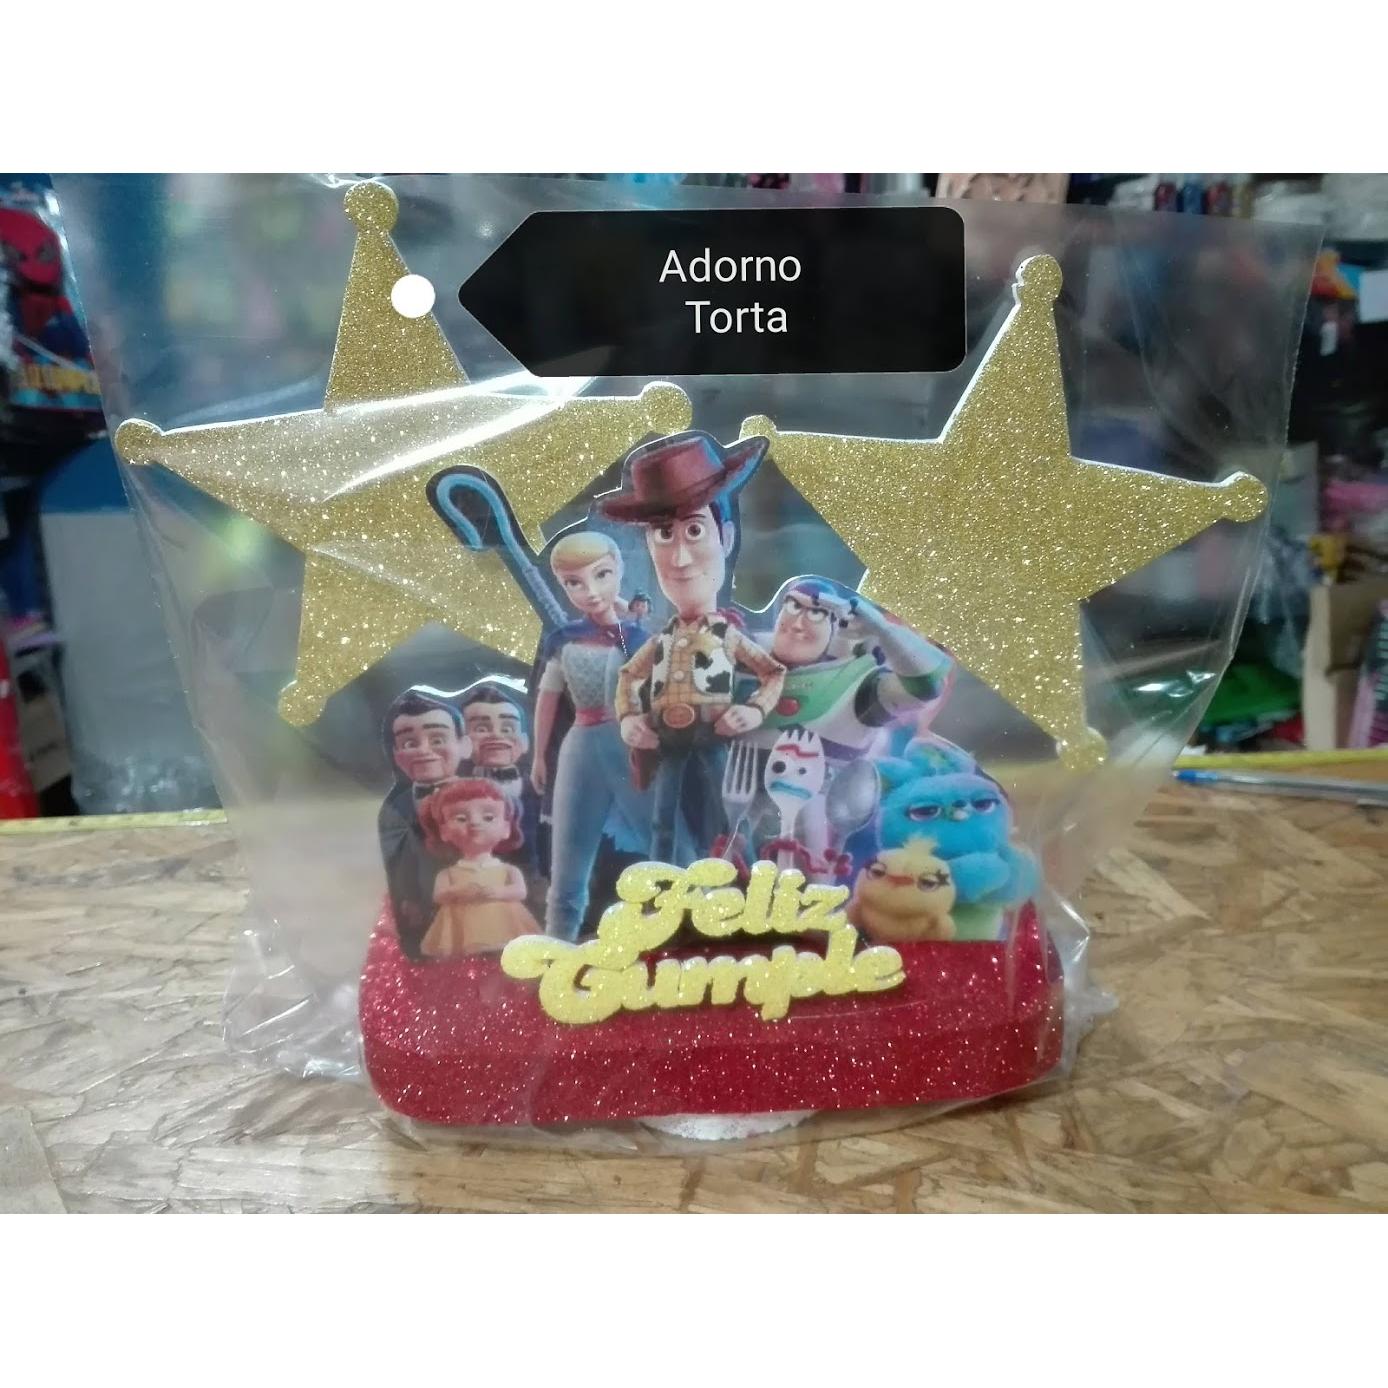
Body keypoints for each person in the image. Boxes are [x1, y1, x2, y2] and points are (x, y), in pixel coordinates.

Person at [601, 431, 785, 865]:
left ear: (726, 536)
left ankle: (752, 877)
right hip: (668, 737)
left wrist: (754, 711)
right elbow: (629, 675)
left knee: (732, 811)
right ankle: (662, 881)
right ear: (649, 546)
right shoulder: (660, 638)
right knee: (663, 819)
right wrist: (628, 719)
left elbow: (772, 672)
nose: (681, 558)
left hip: (715, 733)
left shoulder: (727, 635)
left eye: (695, 530)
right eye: (665, 533)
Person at [734, 577, 954, 877]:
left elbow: (927, 684)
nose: (796, 624)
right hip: (724, 813)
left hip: (813, 825)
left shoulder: (861, 683)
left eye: (816, 612)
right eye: (793, 606)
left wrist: (882, 628)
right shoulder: (745, 654)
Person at [531, 531, 652, 939]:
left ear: (619, 569)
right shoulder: (564, 638)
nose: (591, 591)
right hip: (580, 745)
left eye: (601, 575)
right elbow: (548, 697)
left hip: (632, 745)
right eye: (574, 583)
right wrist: (539, 756)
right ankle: (558, 943)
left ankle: (692, 927)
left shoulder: (639, 637)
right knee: (568, 856)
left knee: (664, 842)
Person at [376, 688, 468, 959]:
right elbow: (397, 862)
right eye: (409, 743)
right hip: (426, 920)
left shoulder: (485, 801)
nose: (424, 751)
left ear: (464, 745)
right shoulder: (396, 809)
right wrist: (408, 899)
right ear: (396, 754)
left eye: (437, 738)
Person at [416, 780, 541, 957]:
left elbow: (520, 891)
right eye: (461, 818)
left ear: (506, 828)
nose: (475, 823)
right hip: (461, 928)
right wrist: (459, 891)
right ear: (443, 831)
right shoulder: (448, 873)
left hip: (505, 926)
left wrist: (498, 892)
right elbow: (439, 895)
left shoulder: (509, 870)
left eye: (488, 817)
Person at [458, 683, 539, 872]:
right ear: (463, 742)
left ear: (525, 741)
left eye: (508, 728)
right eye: (481, 728)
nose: (495, 734)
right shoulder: (454, 794)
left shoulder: (543, 793)